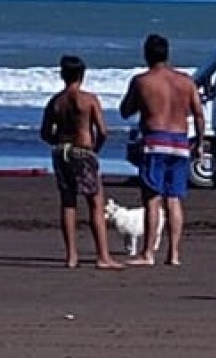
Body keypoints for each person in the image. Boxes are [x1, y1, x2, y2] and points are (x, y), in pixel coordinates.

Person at [119, 34, 204, 267]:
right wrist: (201, 142)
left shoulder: (142, 81)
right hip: (180, 141)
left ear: (147, 54)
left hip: (155, 140)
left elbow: (126, 110)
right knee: (174, 199)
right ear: (167, 54)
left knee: (152, 199)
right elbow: (198, 113)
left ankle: (148, 253)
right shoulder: (186, 81)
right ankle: (174, 253)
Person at [39, 55, 123, 270]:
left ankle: (71, 256)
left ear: (62, 75)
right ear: (82, 75)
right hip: (82, 151)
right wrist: (95, 149)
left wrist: (58, 142)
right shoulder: (88, 100)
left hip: (61, 151)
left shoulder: (56, 101)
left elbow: (45, 133)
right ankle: (103, 256)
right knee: (95, 203)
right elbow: (103, 131)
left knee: (68, 203)